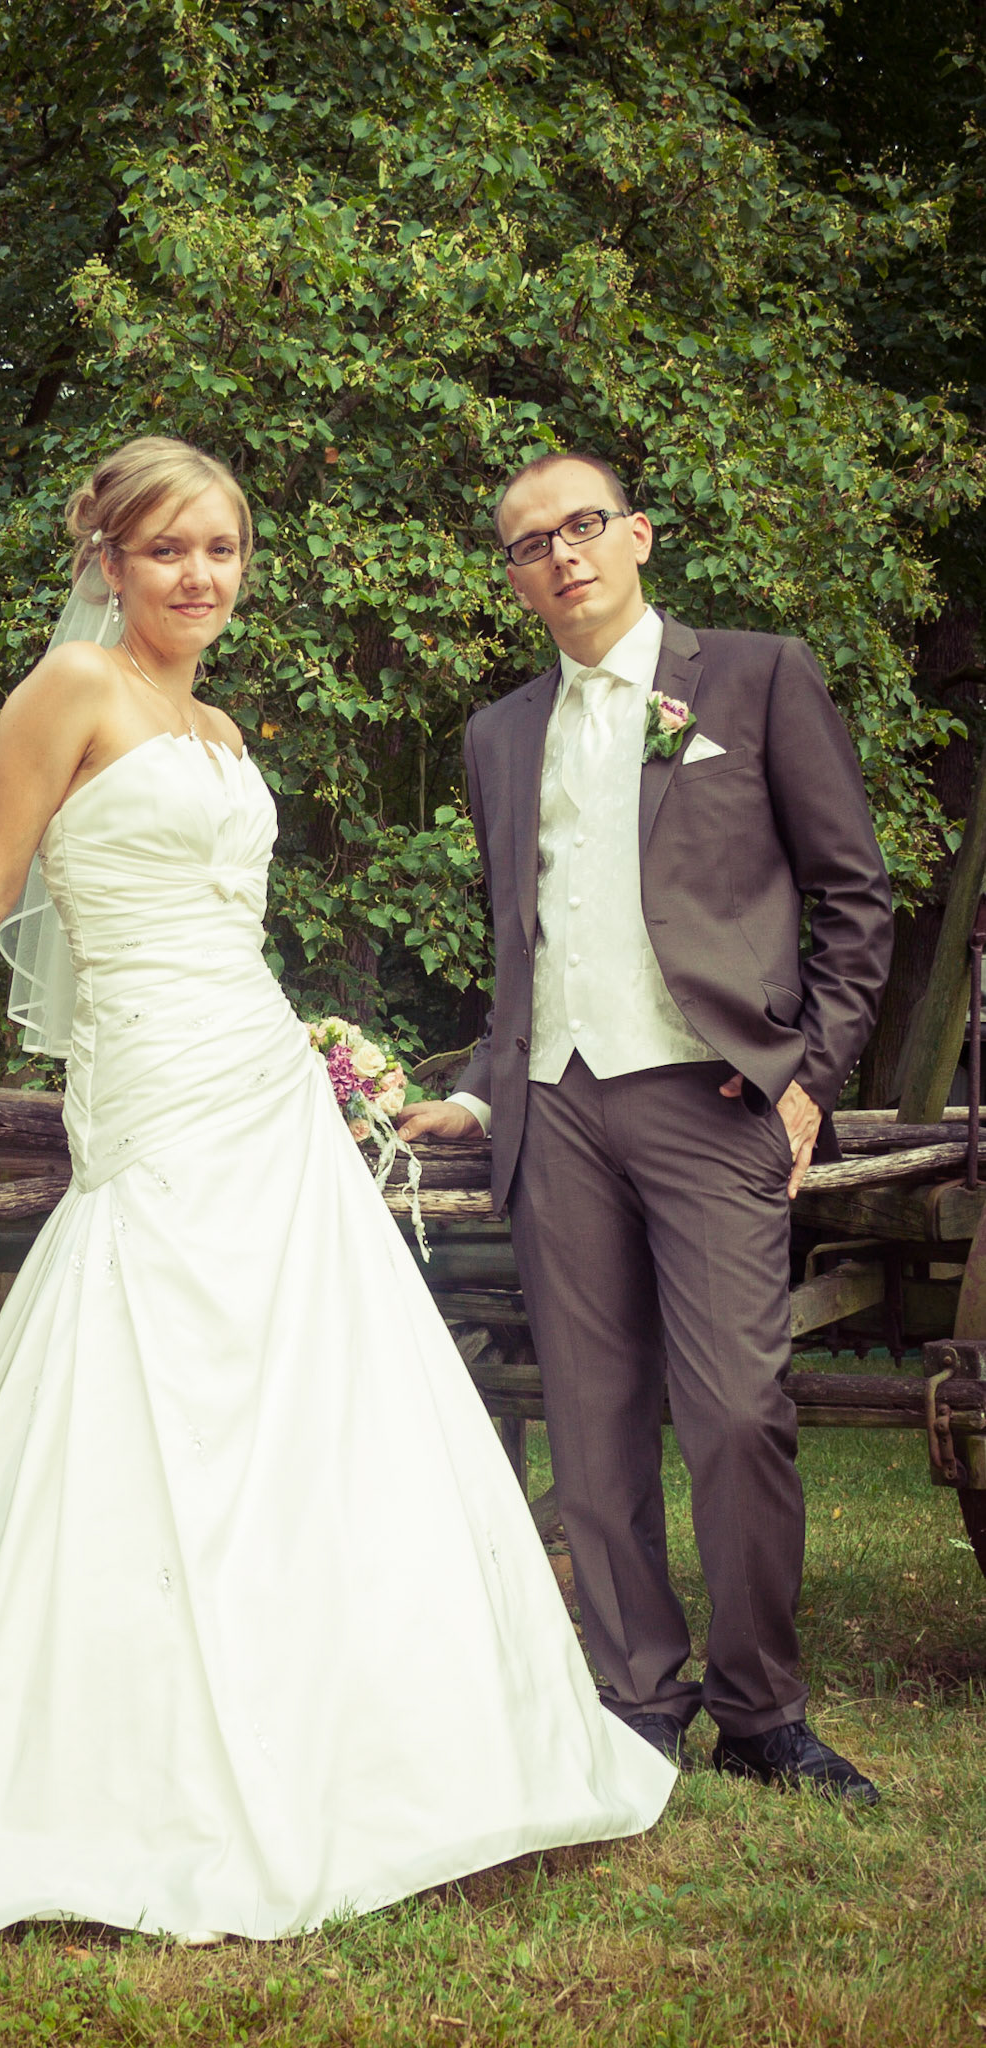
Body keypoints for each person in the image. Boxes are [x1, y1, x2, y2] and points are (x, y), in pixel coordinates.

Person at [0, 435, 674, 1941]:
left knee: (308, 1380)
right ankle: (110, 1741)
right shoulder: (68, 690)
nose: (200, 576)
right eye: (168, 549)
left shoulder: (224, 728)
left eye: (222, 550)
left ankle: (350, 1726)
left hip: (259, 1077)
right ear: (108, 562)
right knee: (158, 1361)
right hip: (153, 1083)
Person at [398, 451, 893, 1801]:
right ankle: (636, 1698)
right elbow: (523, 946)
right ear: (513, 580)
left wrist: (809, 1077)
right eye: (529, 544)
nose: (560, 554)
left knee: (736, 1411)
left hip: (712, 1100)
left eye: (583, 526)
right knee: (593, 1419)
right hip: (555, 1111)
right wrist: (484, 1090)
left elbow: (854, 895)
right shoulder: (498, 735)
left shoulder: (757, 677)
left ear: (638, 536)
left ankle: (762, 1714)